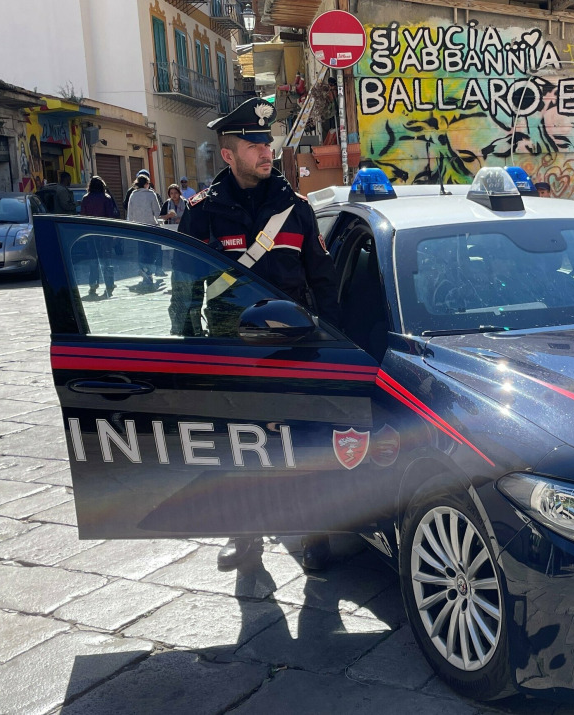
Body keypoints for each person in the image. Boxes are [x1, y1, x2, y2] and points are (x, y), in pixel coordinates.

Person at [177, 97, 341, 572]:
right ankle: (246, 536)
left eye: (267, 142)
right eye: (254, 144)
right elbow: (184, 292)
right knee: (238, 447)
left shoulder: (296, 210)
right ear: (229, 154)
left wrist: (333, 346)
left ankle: (314, 528)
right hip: (231, 351)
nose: (266, 150)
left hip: (292, 350)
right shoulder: (202, 214)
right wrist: (187, 356)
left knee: (305, 443)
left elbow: (324, 283)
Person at [78, 175, 120, 297]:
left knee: (93, 260)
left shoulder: (86, 199)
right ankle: (109, 284)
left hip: (91, 234)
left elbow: (83, 217)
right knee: (107, 260)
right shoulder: (106, 198)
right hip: (105, 233)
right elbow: (111, 217)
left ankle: (93, 284)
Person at [126, 174, 163, 289]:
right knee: (152, 251)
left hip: (138, 227)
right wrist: (160, 224)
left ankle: (144, 270)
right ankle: (149, 272)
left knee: (141, 250)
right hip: (151, 227)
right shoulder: (151, 194)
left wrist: (130, 225)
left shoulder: (133, 194)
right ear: (146, 184)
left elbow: (129, 212)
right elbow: (157, 212)